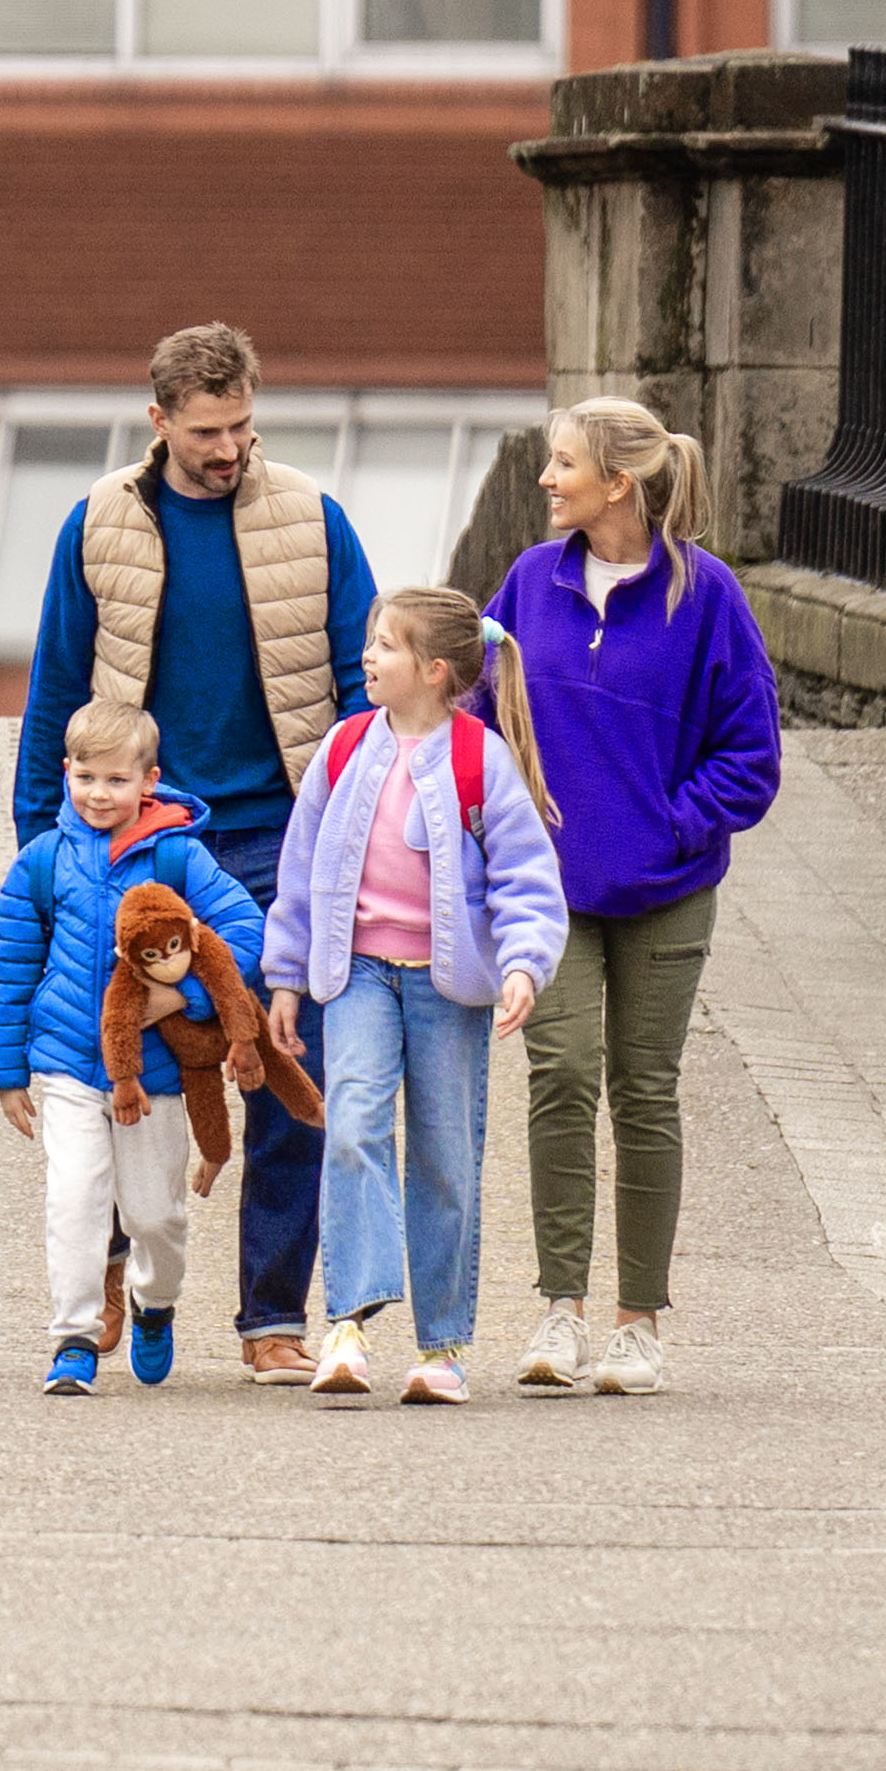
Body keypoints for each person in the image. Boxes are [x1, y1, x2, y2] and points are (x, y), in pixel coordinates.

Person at [18, 325, 377, 1382]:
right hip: (138, 844)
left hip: (283, 835)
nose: (227, 450)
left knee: (282, 1063)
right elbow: (56, 692)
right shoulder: (97, 524)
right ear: (159, 421)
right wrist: (45, 850)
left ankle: (270, 1316)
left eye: (241, 427)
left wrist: (353, 831)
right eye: (207, 431)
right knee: (128, 1064)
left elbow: (361, 689)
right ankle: (126, 1272)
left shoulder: (311, 519)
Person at [484, 393, 782, 1395]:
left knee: (643, 1093)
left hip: (665, 890)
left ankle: (637, 1323)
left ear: (616, 482)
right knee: (558, 1074)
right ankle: (558, 1310)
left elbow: (750, 759)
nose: (545, 479)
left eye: (561, 463)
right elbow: (474, 715)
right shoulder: (527, 584)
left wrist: (669, 825)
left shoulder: (705, 598)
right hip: (547, 894)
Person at [259, 585, 565, 1408]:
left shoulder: (480, 760)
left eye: (385, 647)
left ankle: (443, 1346)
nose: (367, 658)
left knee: (443, 1152)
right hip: (356, 973)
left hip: (446, 988)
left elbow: (527, 879)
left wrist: (522, 967)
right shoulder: (344, 746)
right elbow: (302, 870)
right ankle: (350, 1323)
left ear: (433, 671)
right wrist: (285, 977)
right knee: (354, 1120)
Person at [0, 693, 265, 1398]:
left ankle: (153, 1302)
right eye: (84, 776)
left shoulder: (178, 855)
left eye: (115, 779)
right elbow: (10, 961)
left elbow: (247, 934)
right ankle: (73, 1337)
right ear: (66, 771)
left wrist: (184, 998)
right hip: (72, 1064)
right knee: (75, 1196)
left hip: (158, 1074)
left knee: (153, 1216)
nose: (98, 793)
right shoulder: (44, 862)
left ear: (149, 779)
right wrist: (5, 1071)